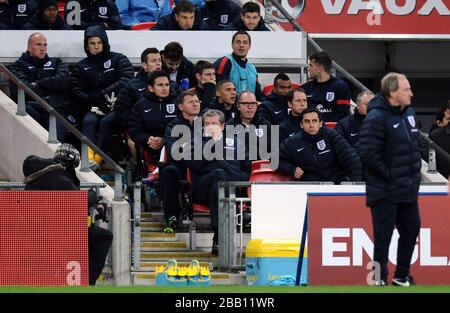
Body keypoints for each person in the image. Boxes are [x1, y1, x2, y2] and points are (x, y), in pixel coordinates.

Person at [359, 73, 421, 287]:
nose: (411, 93)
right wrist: (390, 175)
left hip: (408, 188)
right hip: (384, 190)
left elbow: (415, 146)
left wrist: (413, 175)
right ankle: (378, 279)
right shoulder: (376, 117)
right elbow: (367, 152)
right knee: (383, 236)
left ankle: (401, 276)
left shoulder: (409, 113)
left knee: (412, 229)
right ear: (393, 93)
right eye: (406, 90)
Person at [22, 143, 113, 286]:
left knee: (91, 233)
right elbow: (76, 200)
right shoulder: (57, 172)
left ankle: (81, 278)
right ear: (71, 161)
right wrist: (94, 196)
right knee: (104, 236)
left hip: (39, 226)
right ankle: (88, 282)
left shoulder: (44, 172)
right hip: (52, 230)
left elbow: (64, 203)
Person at [71, 25, 134, 169]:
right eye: (92, 43)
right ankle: (88, 158)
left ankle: (97, 160)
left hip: (117, 106)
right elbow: (76, 90)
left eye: (99, 43)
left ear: (104, 43)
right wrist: (94, 100)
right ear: (86, 45)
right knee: (88, 121)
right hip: (94, 107)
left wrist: (103, 94)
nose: (96, 46)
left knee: (106, 122)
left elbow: (126, 78)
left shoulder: (118, 58)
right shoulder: (81, 66)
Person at [188, 109, 250, 255]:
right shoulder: (195, 142)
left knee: (219, 175)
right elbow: (194, 166)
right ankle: (221, 234)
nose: (210, 127)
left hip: (229, 189)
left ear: (222, 126)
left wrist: (218, 162)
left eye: (214, 124)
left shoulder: (236, 144)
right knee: (218, 174)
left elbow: (245, 172)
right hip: (201, 189)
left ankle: (218, 235)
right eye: (207, 124)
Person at [9, 32, 73, 143]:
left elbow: (63, 82)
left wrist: (38, 83)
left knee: (58, 138)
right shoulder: (18, 66)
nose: (43, 48)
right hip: (35, 108)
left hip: (56, 108)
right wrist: (51, 86)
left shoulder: (56, 62)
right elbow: (23, 91)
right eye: (38, 45)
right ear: (29, 47)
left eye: (45, 45)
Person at [278, 108, 362, 183]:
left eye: (314, 121)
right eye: (307, 121)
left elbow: (352, 160)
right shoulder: (292, 142)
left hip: (335, 184)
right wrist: (291, 169)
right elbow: (274, 160)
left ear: (320, 123)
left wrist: (355, 185)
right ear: (301, 125)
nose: (311, 125)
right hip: (308, 186)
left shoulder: (332, 136)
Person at [161, 90, 201, 232]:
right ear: (181, 107)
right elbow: (173, 152)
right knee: (168, 171)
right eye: (191, 102)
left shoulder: (206, 123)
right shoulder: (172, 126)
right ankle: (171, 217)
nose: (195, 104)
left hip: (201, 166)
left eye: (197, 101)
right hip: (181, 167)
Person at [128, 70, 179, 176]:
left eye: (167, 85)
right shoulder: (140, 105)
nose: (164, 88)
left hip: (173, 144)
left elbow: (183, 127)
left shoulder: (179, 103)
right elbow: (134, 130)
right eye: (160, 85)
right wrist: (148, 139)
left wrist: (164, 140)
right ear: (151, 88)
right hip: (149, 144)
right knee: (133, 143)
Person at [115, 47, 162, 129]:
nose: (158, 63)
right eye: (154, 61)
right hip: (139, 130)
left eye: (159, 60)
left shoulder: (170, 84)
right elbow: (122, 112)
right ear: (144, 65)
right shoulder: (131, 86)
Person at [301, 51, 351, 122]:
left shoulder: (340, 86)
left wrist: (323, 126)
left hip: (332, 130)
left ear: (319, 69)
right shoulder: (305, 87)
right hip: (310, 129)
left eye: (311, 65)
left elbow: (343, 114)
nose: (308, 68)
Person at [214, 31, 264, 101]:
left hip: (249, 109)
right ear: (232, 45)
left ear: (249, 46)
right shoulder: (225, 62)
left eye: (245, 42)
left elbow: (259, 95)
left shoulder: (252, 69)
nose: (241, 45)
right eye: (238, 42)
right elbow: (217, 90)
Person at [227, 90, 271, 161]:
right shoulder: (229, 127)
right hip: (239, 168)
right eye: (246, 103)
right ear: (238, 106)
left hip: (261, 166)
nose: (250, 107)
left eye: (253, 103)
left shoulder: (266, 125)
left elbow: (271, 152)